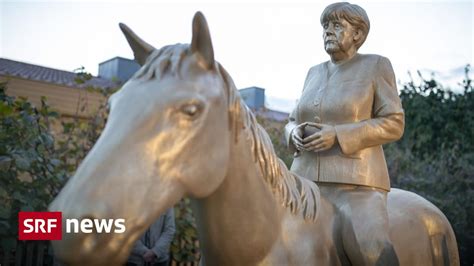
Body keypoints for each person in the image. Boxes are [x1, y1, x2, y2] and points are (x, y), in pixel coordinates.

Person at [285, 2, 404, 265]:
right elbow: (292, 118)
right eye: (325, 26)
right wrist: (292, 133)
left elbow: (394, 123)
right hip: (301, 183)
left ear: (357, 35)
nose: (328, 31)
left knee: (371, 248)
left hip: (356, 185)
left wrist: (338, 135)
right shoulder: (313, 73)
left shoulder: (376, 66)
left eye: (337, 26)